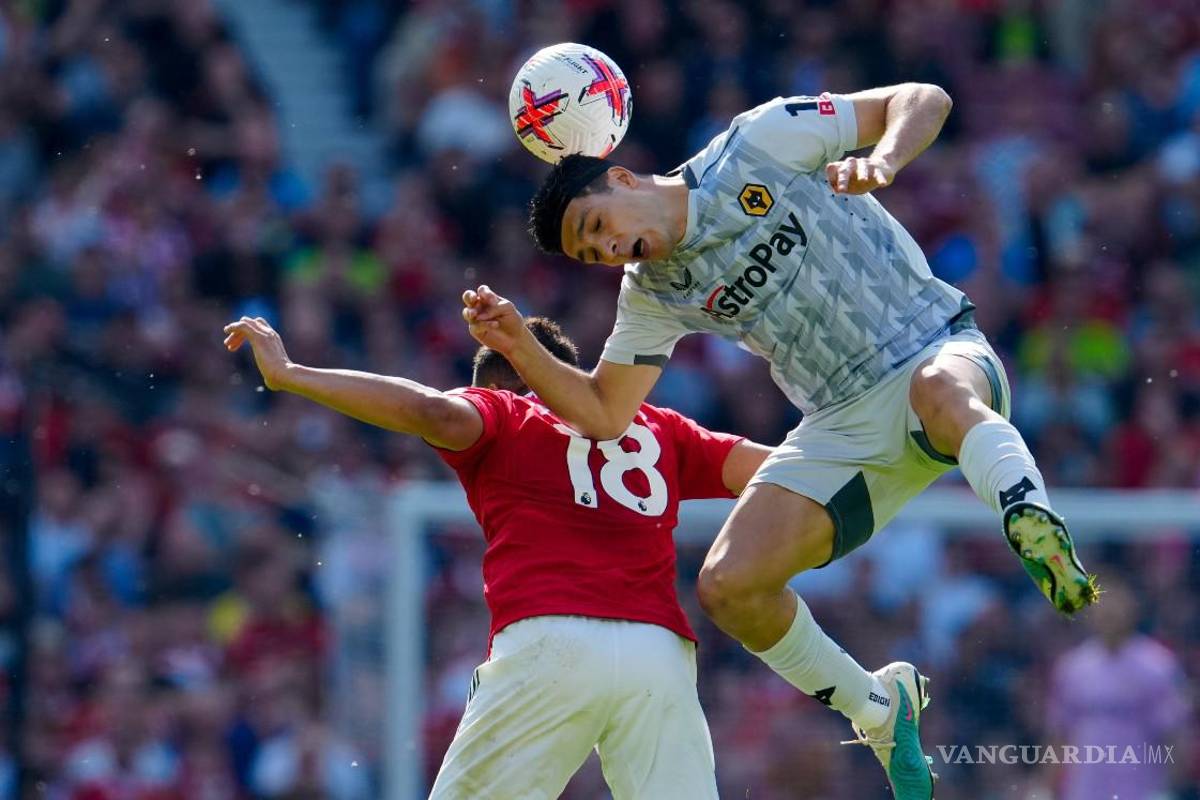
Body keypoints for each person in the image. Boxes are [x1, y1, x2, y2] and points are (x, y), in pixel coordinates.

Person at [461, 82, 1099, 799]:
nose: (610, 248)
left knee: (936, 391)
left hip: (934, 345)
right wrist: (519, 345)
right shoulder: (653, 291)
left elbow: (925, 98)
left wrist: (883, 160)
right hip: (842, 425)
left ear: (623, 177)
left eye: (599, 225)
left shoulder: (758, 142)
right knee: (729, 586)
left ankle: (1029, 515)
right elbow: (606, 413)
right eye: (593, 253)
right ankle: (880, 709)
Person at [221, 314, 772, 800]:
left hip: (552, 641)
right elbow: (774, 469)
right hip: (661, 653)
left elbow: (430, 410)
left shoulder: (507, 409)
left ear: (503, 379)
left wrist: (291, 373)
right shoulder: (660, 426)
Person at [1047, 577, 1189, 800]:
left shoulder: (1157, 664)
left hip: (1141, 788)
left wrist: (1167, 789)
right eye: (1102, 605)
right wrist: (1050, 788)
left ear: (1133, 608)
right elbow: (1060, 734)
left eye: (1117, 604)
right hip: (1085, 788)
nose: (1109, 613)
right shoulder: (1073, 667)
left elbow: (1175, 735)